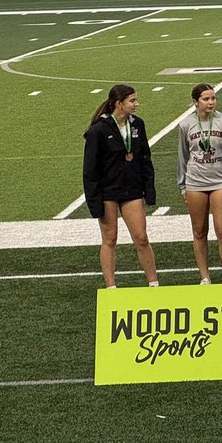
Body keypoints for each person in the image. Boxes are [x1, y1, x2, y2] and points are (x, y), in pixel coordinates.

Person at [83, 84, 159, 289]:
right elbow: (90, 170)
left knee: (141, 237)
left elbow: (145, 158)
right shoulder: (98, 130)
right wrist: (94, 201)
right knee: (110, 238)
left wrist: (148, 189)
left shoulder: (138, 125)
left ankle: (153, 283)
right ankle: (111, 287)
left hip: (132, 189)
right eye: (132, 101)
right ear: (119, 104)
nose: (136, 104)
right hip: (108, 191)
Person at [177, 83, 222, 284]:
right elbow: (183, 156)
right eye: (206, 99)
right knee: (199, 230)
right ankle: (204, 276)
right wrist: (183, 186)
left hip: (221, 180)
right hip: (195, 181)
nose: (211, 102)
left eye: (213, 98)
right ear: (196, 102)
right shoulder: (186, 124)